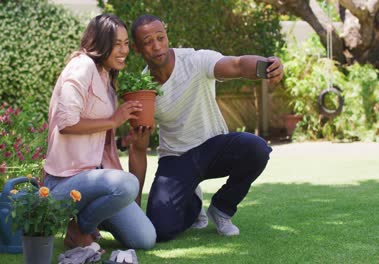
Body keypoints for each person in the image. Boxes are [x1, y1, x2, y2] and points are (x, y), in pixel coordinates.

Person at [130, 14, 284, 241]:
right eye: (148, 42)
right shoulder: (143, 89)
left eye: (160, 38)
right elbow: (139, 148)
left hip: (213, 147)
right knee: (161, 229)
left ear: (166, 36)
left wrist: (268, 66)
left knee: (257, 149)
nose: (157, 46)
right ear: (137, 49)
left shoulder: (194, 61)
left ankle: (222, 208)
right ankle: (192, 204)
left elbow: (238, 64)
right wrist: (135, 210)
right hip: (176, 158)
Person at [43, 14, 156, 250]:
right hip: (65, 182)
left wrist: (124, 139)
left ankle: (91, 219)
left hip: (95, 180)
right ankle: (80, 229)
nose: (124, 50)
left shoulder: (105, 74)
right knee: (127, 184)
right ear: (101, 43)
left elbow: (96, 135)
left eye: (126, 43)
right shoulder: (81, 66)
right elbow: (66, 122)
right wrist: (113, 120)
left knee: (145, 239)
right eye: (117, 44)